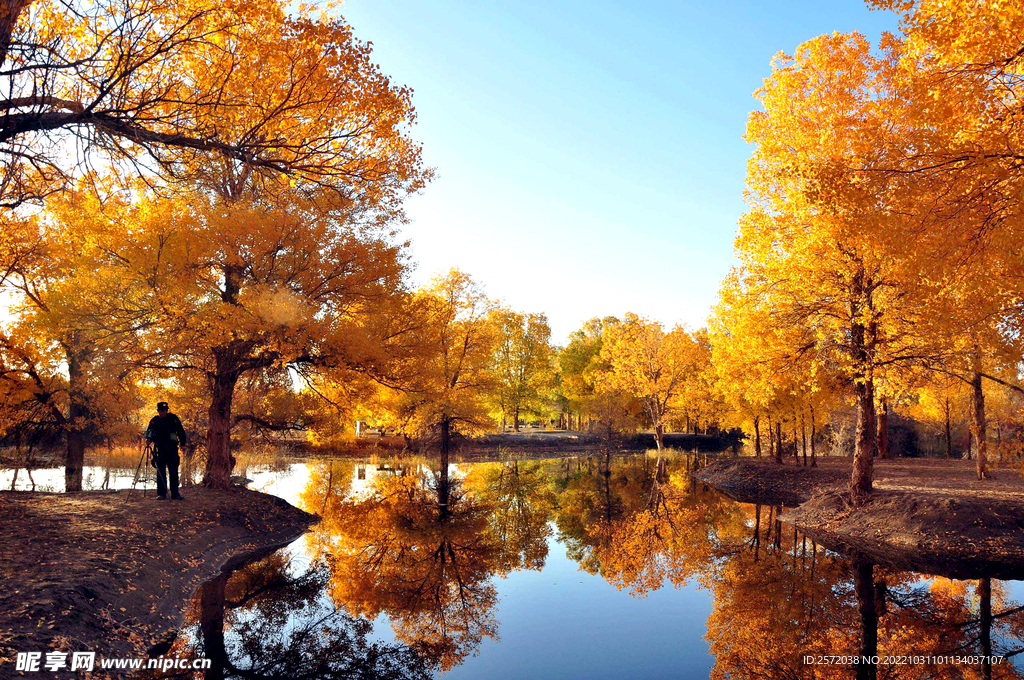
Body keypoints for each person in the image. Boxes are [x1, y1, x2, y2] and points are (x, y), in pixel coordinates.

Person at [145, 401, 187, 500]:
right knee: (160, 472)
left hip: (172, 449)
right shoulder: (154, 420)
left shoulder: (173, 418)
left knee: (173, 471)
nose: (163, 412)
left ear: (167, 410)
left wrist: (183, 444)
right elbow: (149, 432)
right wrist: (148, 440)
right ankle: (161, 494)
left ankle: (175, 494)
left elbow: (181, 431)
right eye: (161, 410)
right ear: (158, 411)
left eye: (165, 410)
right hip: (160, 449)